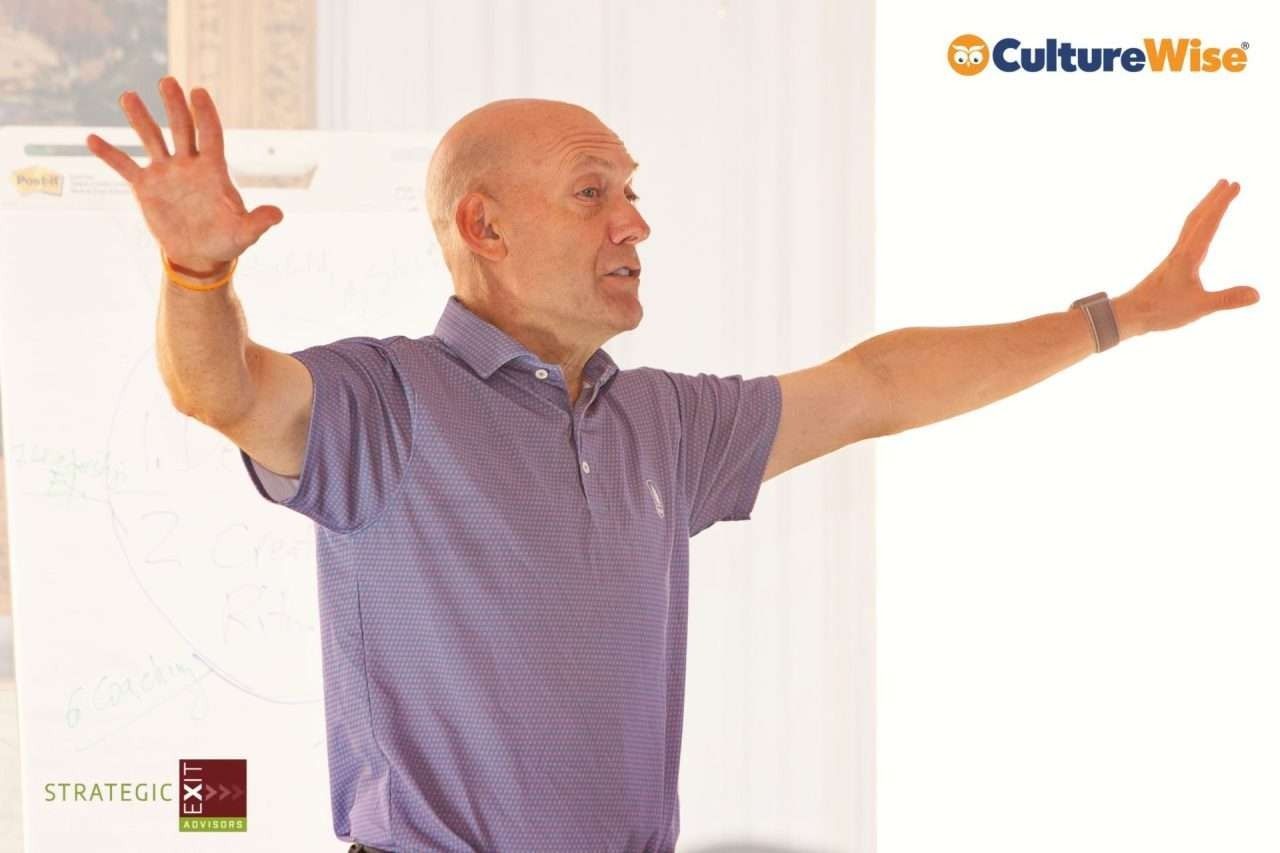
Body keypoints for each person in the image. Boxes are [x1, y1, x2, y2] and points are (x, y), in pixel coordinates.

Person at [87, 76, 1258, 853]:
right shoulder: (384, 402)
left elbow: (876, 386)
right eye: (592, 193)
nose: (632, 225)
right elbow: (222, 389)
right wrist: (198, 276)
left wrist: (1117, 319)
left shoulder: (663, 423)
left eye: (632, 195)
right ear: (484, 228)